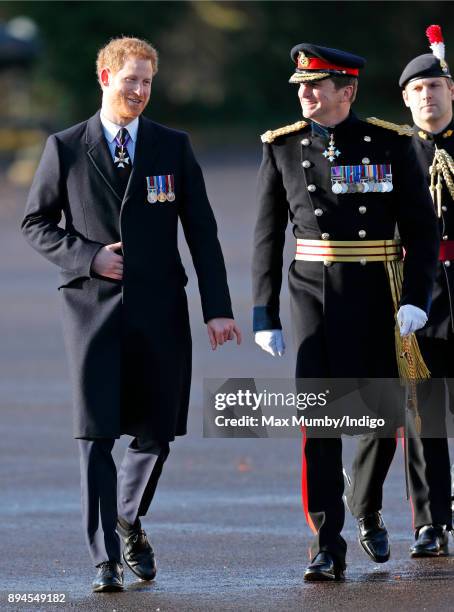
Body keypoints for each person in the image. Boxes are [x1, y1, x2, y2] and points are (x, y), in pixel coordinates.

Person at [21, 36, 241, 593]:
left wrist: (217, 310)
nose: (139, 91)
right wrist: (88, 256)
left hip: (160, 311)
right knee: (96, 435)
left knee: (156, 431)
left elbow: (203, 234)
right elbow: (36, 223)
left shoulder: (172, 146)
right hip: (91, 312)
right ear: (105, 77)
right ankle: (104, 559)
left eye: (147, 82)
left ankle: (126, 519)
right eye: (130, 81)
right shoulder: (65, 147)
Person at [252, 42, 439, 581]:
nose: (305, 94)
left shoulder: (390, 143)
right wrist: (265, 313)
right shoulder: (282, 148)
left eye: (315, 86)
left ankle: (367, 503)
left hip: (378, 288)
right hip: (312, 293)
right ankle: (327, 544)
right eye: (301, 87)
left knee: (382, 415)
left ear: (347, 91)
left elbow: (422, 233)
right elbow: (267, 239)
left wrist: (415, 300)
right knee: (320, 421)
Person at [398, 24, 454, 557]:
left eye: (434, 86)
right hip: (421, 295)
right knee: (425, 412)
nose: (426, 96)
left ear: (451, 91)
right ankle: (430, 521)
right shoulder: (395, 153)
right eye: (417, 90)